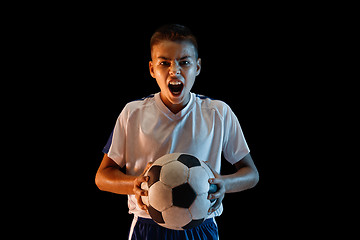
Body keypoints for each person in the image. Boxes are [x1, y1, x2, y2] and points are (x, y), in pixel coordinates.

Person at [95, 24, 259, 240]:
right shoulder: (133, 113)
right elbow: (102, 176)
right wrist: (132, 184)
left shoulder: (218, 113)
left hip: (202, 226)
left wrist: (225, 184)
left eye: (184, 62)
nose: (175, 70)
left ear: (197, 67)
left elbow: (252, 174)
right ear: (152, 69)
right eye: (164, 63)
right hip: (147, 227)